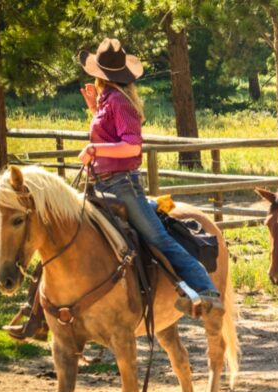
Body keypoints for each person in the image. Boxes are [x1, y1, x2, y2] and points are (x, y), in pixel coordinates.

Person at [77, 38, 222, 316]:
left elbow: (131, 146)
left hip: (121, 185)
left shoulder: (119, 101)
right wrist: (95, 111)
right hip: (104, 182)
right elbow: (111, 134)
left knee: (159, 239)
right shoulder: (109, 99)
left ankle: (207, 291)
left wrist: (94, 148)